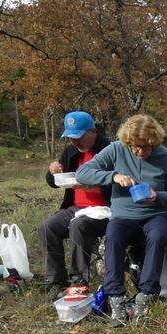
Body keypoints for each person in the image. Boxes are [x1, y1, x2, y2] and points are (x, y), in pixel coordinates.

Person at [75, 114, 167, 324]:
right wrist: (113, 176)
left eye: (146, 147)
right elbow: (83, 173)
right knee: (113, 237)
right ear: (127, 142)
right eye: (135, 147)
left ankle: (146, 295)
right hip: (123, 215)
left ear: (155, 143)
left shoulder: (166, 157)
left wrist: (157, 196)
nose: (140, 152)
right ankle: (116, 298)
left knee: (157, 235)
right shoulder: (116, 149)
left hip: (155, 214)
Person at [38, 111, 111, 300]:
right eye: (71, 137)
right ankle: (55, 281)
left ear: (93, 131)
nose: (74, 142)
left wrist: (96, 182)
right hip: (76, 207)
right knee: (47, 227)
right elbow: (56, 182)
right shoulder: (71, 152)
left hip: (105, 209)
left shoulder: (109, 150)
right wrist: (52, 172)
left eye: (78, 137)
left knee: (79, 226)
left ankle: (78, 282)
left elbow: (121, 181)